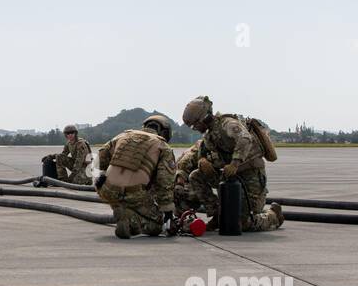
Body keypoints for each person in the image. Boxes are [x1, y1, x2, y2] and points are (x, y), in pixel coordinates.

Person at [180, 96, 282, 231]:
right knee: (196, 176)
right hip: (230, 177)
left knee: (242, 223)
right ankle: (218, 214)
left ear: (204, 118)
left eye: (195, 124)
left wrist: (234, 163)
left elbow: (245, 138)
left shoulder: (227, 124)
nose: (194, 128)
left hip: (250, 176)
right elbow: (204, 152)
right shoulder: (209, 135)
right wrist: (203, 161)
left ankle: (273, 216)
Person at [95, 115, 178, 239]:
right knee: (157, 225)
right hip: (134, 195)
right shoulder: (163, 146)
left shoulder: (122, 136)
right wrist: (167, 214)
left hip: (107, 191)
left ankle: (121, 208)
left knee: (122, 197)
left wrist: (104, 176)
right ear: (164, 132)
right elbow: (164, 182)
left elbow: (101, 156)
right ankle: (130, 220)